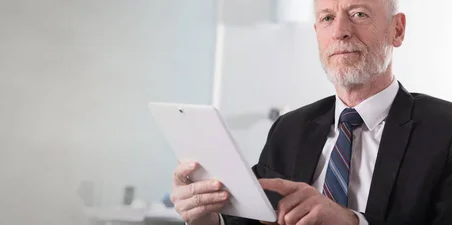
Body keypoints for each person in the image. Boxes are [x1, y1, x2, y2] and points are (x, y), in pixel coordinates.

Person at [170, 0, 452, 224]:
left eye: (359, 14)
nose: (340, 30)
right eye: (327, 18)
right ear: (317, 33)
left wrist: (350, 223)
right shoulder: (289, 129)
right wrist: (208, 218)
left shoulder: (444, 130)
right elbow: (250, 221)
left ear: (397, 30)